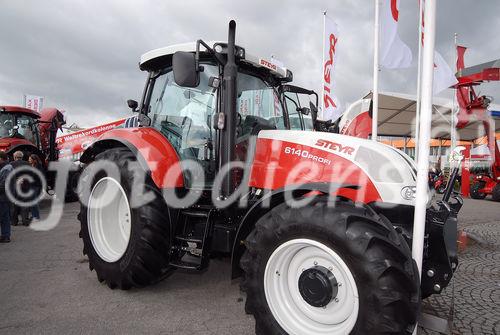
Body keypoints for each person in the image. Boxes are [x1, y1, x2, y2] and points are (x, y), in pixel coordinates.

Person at [10, 151, 30, 226]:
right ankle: (25, 221)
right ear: (22, 157)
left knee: (14, 205)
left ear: (15, 157)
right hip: (25, 187)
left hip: (14, 188)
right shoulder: (27, 164)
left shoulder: (11, 164)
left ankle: (14, 222)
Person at [0, 151, 13, 243]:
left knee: (4, 216)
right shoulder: (7, 167)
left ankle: (6, 235)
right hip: (5, 196)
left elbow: (4, 184)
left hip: (3, 196)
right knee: (5, 217)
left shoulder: (6, 169)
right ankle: (5, 235)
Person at [28, 154, 44, 222]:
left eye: (30, 158)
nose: (28, 160)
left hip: (36, 186)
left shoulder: (38, 167)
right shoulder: (32, 166)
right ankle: (34, 216)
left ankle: (36, 217)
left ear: (34, 160)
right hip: (32, 185)